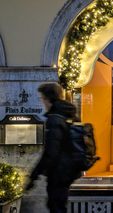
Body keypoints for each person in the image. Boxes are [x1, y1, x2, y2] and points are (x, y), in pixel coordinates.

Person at [26, 83, 81, 213]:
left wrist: (34, 176)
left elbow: (51, 152)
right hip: (68, 171)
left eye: (42, 98)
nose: (41, 102)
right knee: (58, 205)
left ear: (48, 99)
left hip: (59, 172)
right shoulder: (69, 114)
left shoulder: (55, 119)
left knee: (56, 207)